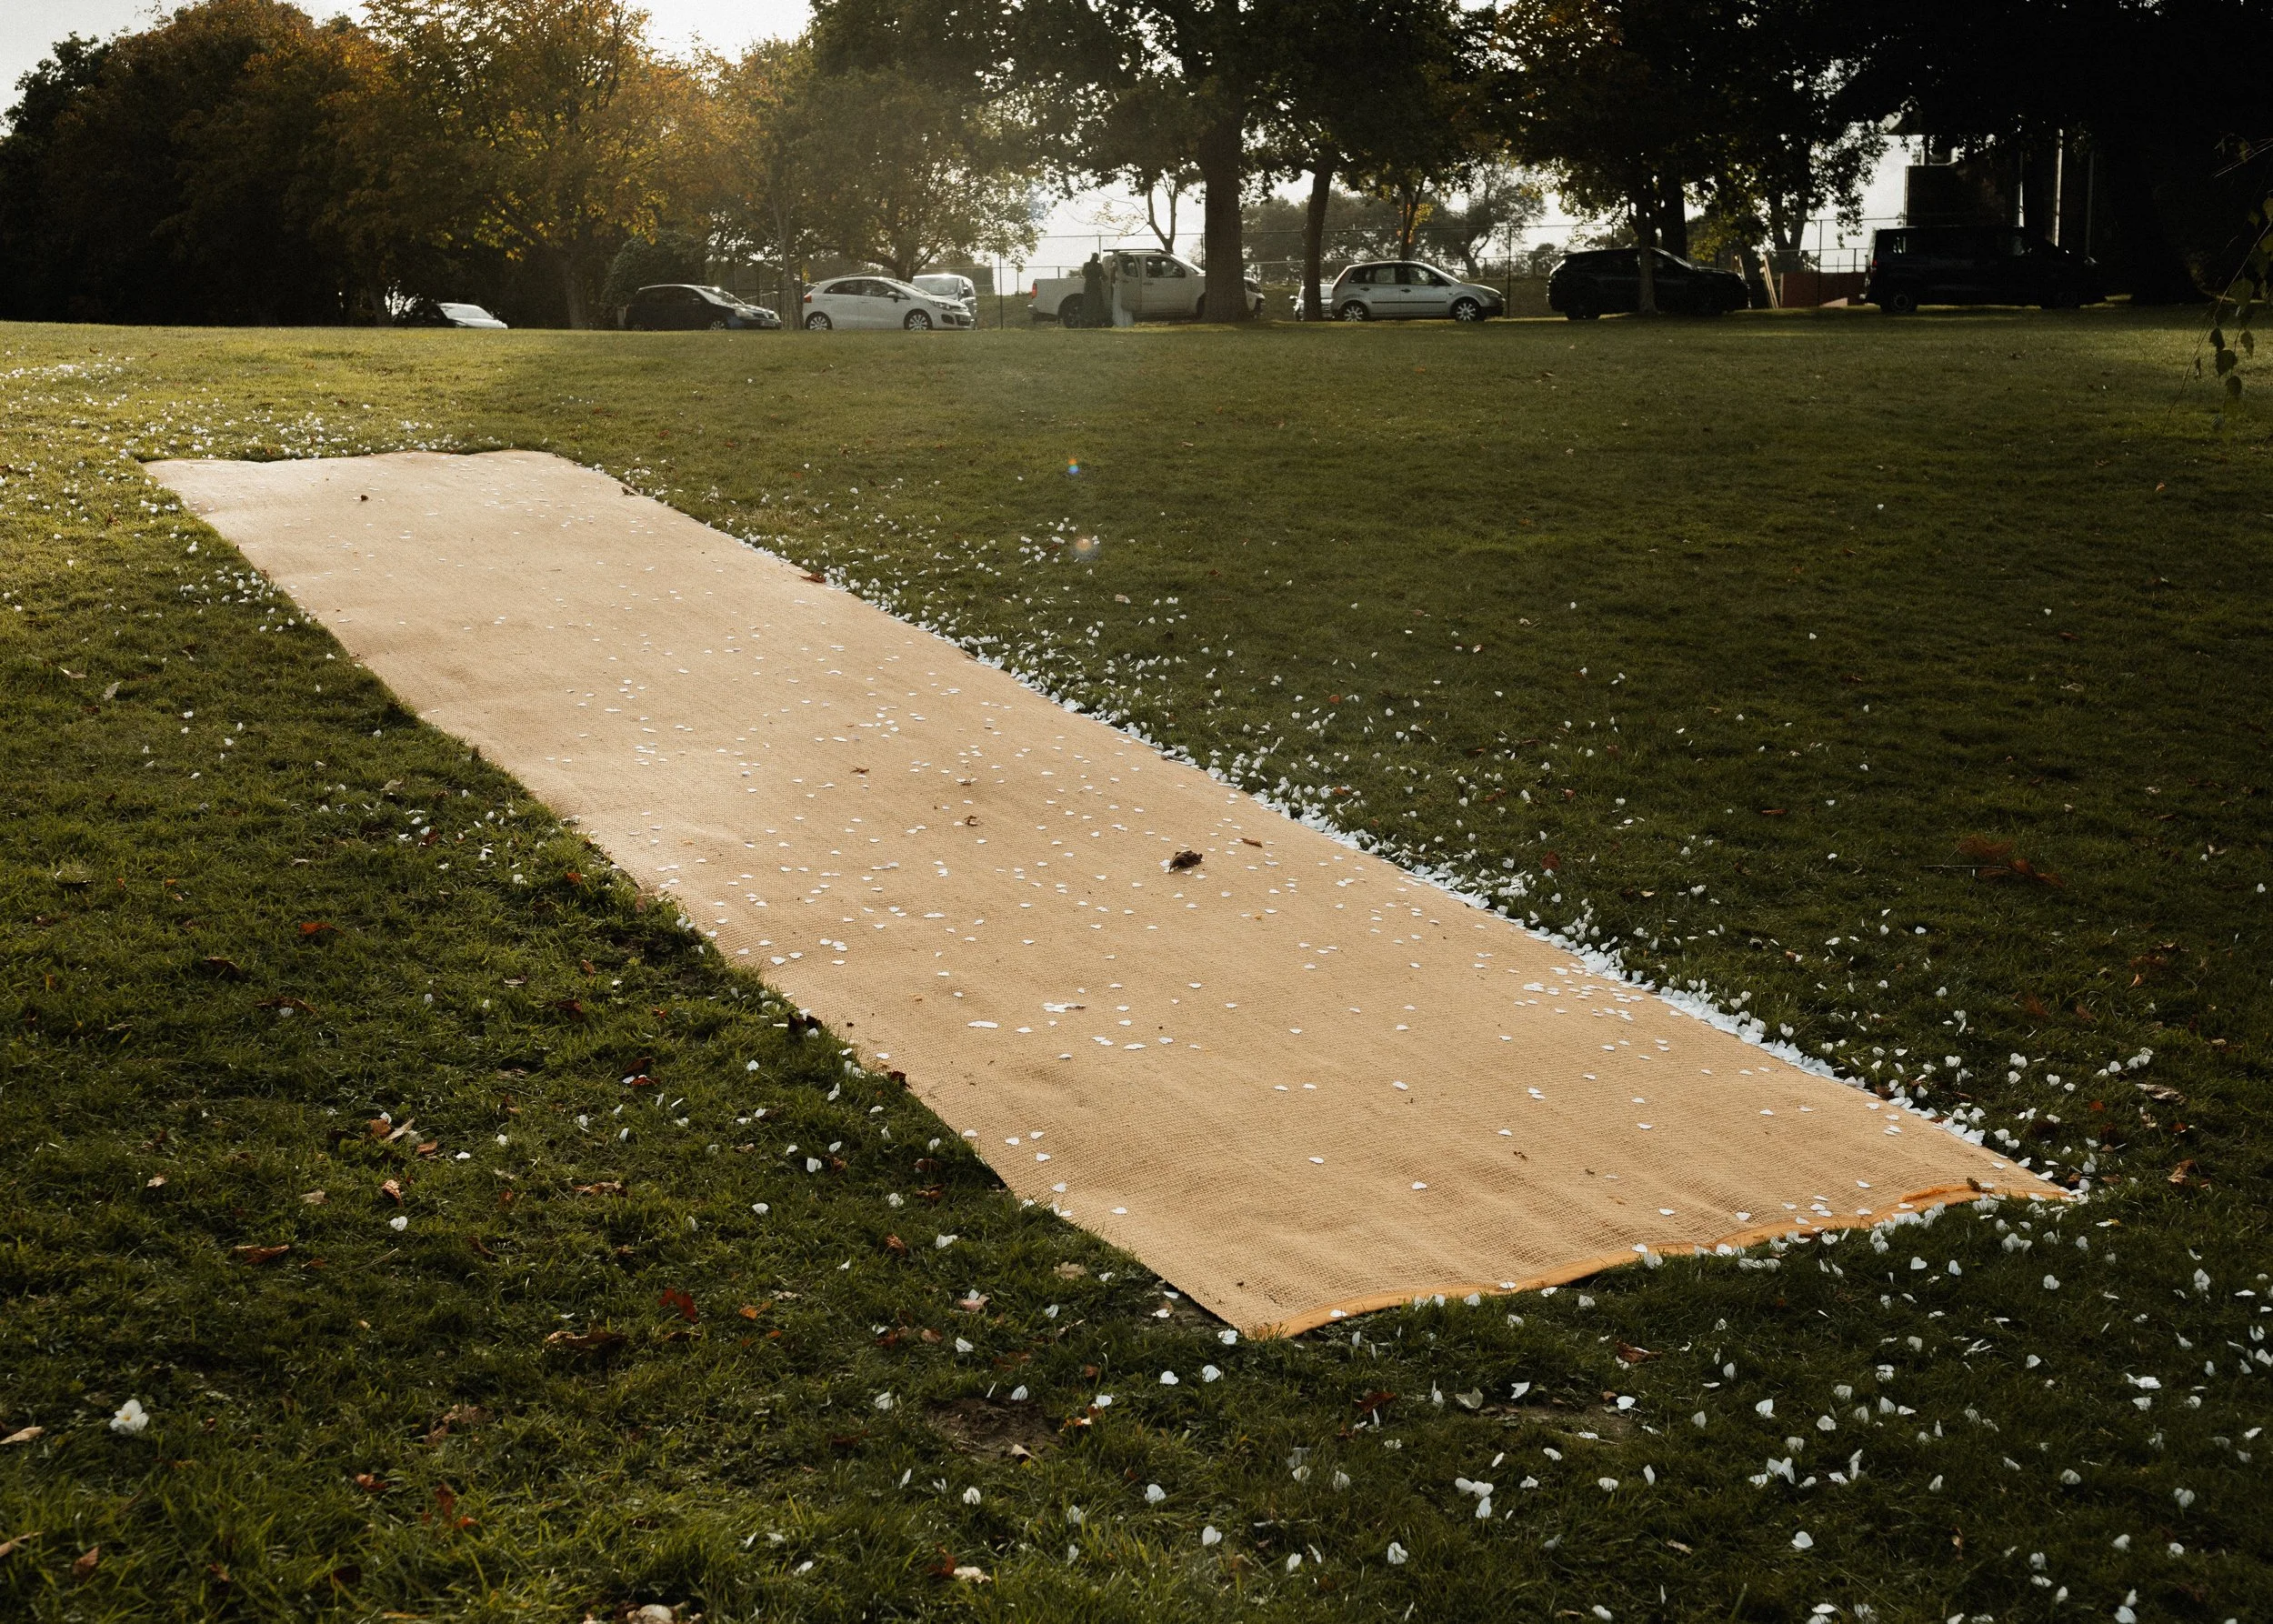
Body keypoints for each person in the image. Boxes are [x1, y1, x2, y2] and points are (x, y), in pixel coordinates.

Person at [1079, 255, 1106, 327]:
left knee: (1095, 304)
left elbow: (1102, 275)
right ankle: (1089, 321)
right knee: (1090, 304)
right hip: (1091, 286)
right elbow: (1084, 273)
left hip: (1094, 286)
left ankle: (1094, 321)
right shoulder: (1089, 265)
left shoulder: (1095, 265)